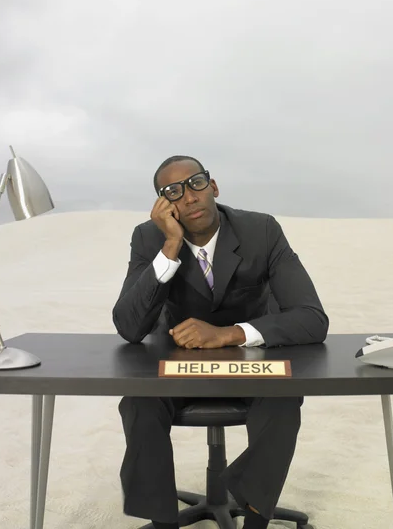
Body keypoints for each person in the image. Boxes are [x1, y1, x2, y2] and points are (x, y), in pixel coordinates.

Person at [113, 155, 329, 529]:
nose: (189, 197)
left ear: (213, 187)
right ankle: (163, 521)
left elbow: (312, 317)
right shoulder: (148, 237)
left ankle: (256, 519)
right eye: (173, 192)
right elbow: (129, 327)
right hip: (179, 361)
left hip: (251, 357)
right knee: (138, 400)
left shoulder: (261, 230)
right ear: (164, 206)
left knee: (283, 397)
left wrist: (230, 333)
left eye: (196, 184)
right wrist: (169, 248)